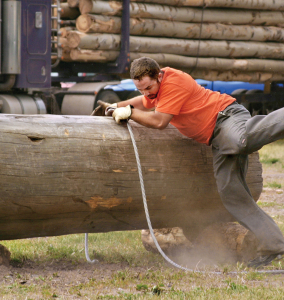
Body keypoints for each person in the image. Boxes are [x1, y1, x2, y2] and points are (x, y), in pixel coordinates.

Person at [93, 57, 284, 268]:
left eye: (148, 87)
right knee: (232, 195)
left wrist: (130, 113)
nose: (146, 93)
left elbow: (159, 121)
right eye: (140, 89)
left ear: (158, 76)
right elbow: (143, 103)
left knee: (240, 140)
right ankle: (274, 245)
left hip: (226, 117)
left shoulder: (174, 82)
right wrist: (113, 106)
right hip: (217, 138)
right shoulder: (154, 90)